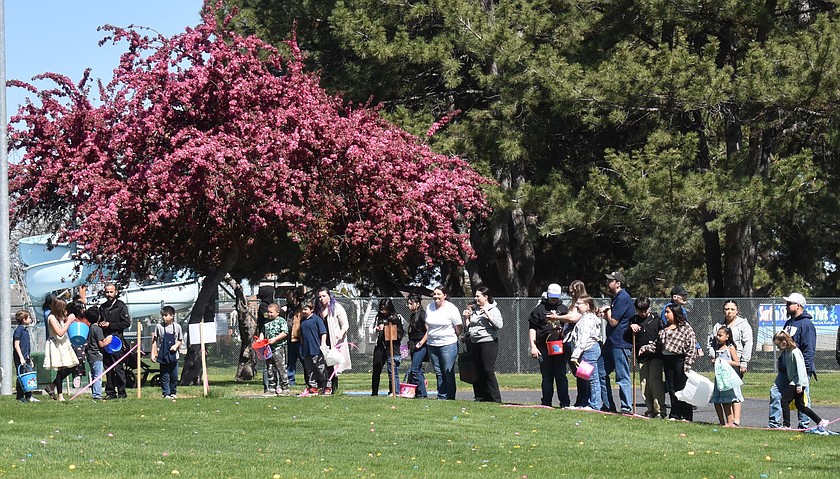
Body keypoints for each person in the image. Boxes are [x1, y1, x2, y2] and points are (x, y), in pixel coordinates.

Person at [769, 293, 817, 428]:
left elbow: (809, 348)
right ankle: (774, 424)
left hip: (800, 370)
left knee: (801, 399)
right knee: (775, 392)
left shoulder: (806, 324)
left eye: (790, 303)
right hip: (785, 369)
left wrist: (805, 371)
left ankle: (804, 425)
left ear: (799, 305)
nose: (787, 306)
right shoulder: (789, 323)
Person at [707, 300, 753, 425]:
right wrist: (714, 357)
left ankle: (735, 420)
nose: (729, 311)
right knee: (722, 392)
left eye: (732, 309)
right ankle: (727, 421)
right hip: (720, 365)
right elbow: (710, 343)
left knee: (734, 391)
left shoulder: (743, 324)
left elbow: (748, 343)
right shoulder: (718, 325)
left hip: (734, 363)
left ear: (737, 310)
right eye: (727, 309)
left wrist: (744, 362)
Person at [773, 330, 829, 430]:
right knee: (801, 406)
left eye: (778, 345)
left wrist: (799, 385)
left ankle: (787, 425)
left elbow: (801, 370)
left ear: (784, 343)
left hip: (797, 382)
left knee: (785, 401)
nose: (777, 348)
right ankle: (820, 421)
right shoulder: (787, 352)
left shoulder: (795, 352)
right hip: (794, 381)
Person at [528, 283, 571, 407]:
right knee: (547, 377)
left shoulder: (563, 309)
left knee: (561, 376)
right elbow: (532, 328)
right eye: (552, 297)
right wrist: (533, 346)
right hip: (543, 347)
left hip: (559, 347)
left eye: (556, 297)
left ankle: (565, 403)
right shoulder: (539, 309)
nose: (554, 300)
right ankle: (546, 402)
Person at [462, 286, 503, 403]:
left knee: (487, 369)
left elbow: (499, 326)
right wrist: (466, 318)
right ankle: (480, 396)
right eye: (475, 296)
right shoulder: (475, 310)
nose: (476, 298)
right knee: (477, 370)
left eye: (478, 296)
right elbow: (471, 327)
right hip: (475, 343)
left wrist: (488, 316)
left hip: (488, 343)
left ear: (486, 297)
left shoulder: (493, 309)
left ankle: (495, 398)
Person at [626, 297, 665, 418]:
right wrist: (631, 327)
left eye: (645, 310)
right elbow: (626, 337)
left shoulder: (656, 319)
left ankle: (660, 410)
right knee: (644, 383)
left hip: (655, 355)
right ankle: (650, 409)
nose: (643, 313)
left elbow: (662, 336)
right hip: (641, 357)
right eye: (640, 310)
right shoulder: (634, 320)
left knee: (655, 381)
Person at [658, 303, 698, 421]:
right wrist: (645, 348)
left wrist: (688, 364)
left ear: (675, 313)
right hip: (667, 360)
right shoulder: (665, 328)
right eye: (665, 312)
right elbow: (658, 345)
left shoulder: (686, 328)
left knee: (683, 388)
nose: (665, 315)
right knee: (672, 388)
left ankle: (686, 415)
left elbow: (691, 346)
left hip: (680, 360)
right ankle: (675, 414)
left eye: (668, 312)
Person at [602, 271, 634, 414]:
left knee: (622, 376)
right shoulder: (615, 298)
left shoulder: (623, 298)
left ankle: (626, 407)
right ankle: (608, 405)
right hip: (611, 342)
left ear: (618, 283)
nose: (608, 283)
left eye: (611, 281)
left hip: (620, 343)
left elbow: (614, 321)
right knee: (599, 372)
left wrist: (607, 311)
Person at [425, 286, 462, 400]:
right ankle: (441, 396)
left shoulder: (451, 308)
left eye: (439, 294)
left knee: (447, 371)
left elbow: (459, 325)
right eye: (434, 294)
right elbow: (427, 323)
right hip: (432, 344)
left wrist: (455, 336)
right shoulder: (429, 307)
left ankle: (450, 397)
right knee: (438, 372)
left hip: (448, 344)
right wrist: (430, 333)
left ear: (444, 295)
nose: (436, 296)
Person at [569, 295, 602, 411]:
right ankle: (587, 403)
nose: (576, 305)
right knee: (587, 379)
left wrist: (575, 355)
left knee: (593, 379)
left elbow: (583, 338)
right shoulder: (586, 318)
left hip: (589, 350)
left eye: (579, 303)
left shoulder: (587, 320)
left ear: (587, 306)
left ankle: (595, 405)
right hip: (587, 351)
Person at [43, 298, 80, 401]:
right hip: (56, 345)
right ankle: (60, 395)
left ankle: (52, 385)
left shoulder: (61, 317)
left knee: (73, 365)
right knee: (60, 369)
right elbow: (59, 332)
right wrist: (68, 321)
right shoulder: (51, 318)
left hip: (64, 344)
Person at [98, 283, 131, 399]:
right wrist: (101, 324)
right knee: (108, 368)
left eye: (111, 292)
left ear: (116, 292)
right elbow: (99, 321)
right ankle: (110, 392)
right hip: (106, 341)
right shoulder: (102, 307)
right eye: (107, 292)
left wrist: (110, 325)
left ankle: (122, 393)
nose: (109, 294)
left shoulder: (121, 306)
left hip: (117, 342)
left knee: (118, 368)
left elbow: (126, 323)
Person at [315, 286, 351, 392]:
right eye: (320, 297)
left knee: (333, 363)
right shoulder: (318, 310)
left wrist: (340, 333)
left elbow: (345, 324)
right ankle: (324, 386)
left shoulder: (337, 308)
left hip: (334, 340)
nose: (322, 299)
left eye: (324, 296)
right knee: (322, 364)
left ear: (329, 296)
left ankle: (333, 387)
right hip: (322, 340)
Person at [710, 326, 744, 427]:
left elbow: (736, 363)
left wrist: (724, 361)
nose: (718, 337)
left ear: (727, 336)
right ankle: (721, 421)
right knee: (717, 400)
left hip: (728, 378)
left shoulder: (730, 348)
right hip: (719, 378)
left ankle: (730, 422)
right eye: (717, 335)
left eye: (720, 335)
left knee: (727, 400)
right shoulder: (717, 348)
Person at [371, 298, 404, 396]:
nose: (383, 311)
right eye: (382, 309)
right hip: (380, 346)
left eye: (386, 309)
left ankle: (393, 390)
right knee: (377, 369)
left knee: (392, 369)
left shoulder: (396, 317)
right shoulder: (377, 318)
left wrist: (385, 328)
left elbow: (400, 332)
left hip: (391, 347)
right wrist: (376, 329)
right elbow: (370, 332)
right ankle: (374, 392)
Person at [150, 306, 184, 399]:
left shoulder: (177, 327)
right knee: (164, 375)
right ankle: (166, 393)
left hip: (174, 355)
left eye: (166, 315)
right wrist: (153, 353)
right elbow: (154, 341)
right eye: (162, 316)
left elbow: (180, 340)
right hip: (163, 354)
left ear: (172, 316)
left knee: (174, 376)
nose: (164, 317)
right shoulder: (159, 327)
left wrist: (175, 346)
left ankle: (173, 392)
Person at [299, 300, 329, 396]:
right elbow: (302, 336)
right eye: (302, 309)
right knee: (310, 370)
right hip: (306, 350)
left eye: (305, 309)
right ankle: (313, 387)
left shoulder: (317, 319)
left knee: (320, 368)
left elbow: (323, 332)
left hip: (316, 349)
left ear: (311, 310)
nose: (303, 311)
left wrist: (323, 344)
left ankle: (327, 386)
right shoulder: (302, 321)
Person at [405, 294, 429, 398]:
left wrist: (421, 343)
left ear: (418, 304)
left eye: (411, 303)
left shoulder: (422, 315)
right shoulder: (412, 316)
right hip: (413, 345)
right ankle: (418, 393)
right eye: (408, 303)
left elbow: (429, 331)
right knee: (417, 370)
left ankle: (422, 394)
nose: (408, 306)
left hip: (421, 346)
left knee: (414, 370)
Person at [13, 310, 37, 403]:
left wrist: (29, 358)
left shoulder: (25, 330)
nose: (31, 319)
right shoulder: (19, 330)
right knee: (21, 376)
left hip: (26, 357)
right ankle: (20, 396)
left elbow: (27, 346)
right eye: (29, 318)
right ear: (24, 319)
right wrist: (21, 357)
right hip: (20, 358)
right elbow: (16, 345)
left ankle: (29, 396)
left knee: (28, 376)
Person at [256, 285, 275, 394]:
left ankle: (275, 384)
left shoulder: (270, 305)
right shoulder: (264, 306)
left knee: (275, 362)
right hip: (266, 336)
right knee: (267, 363)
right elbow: (267, 317)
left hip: (273, 337)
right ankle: (267, 386)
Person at [284, 288, 305, 386]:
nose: (288, 299)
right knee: (291, 361)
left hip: (300, 339)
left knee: (304, 360)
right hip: (290, 339)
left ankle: (310, 380)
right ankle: (290, 381)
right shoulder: (288, 309)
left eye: (290, 297)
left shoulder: (302, 308)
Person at [84, 307, 106, 400]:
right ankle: (97, 394)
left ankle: (95, 392)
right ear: (99, 317)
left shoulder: (90, 328)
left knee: (94, 375)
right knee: (98, 376)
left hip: (90, 355)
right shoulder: (98, 329)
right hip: (97, 355)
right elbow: (101, 344)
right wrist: (108, 340)